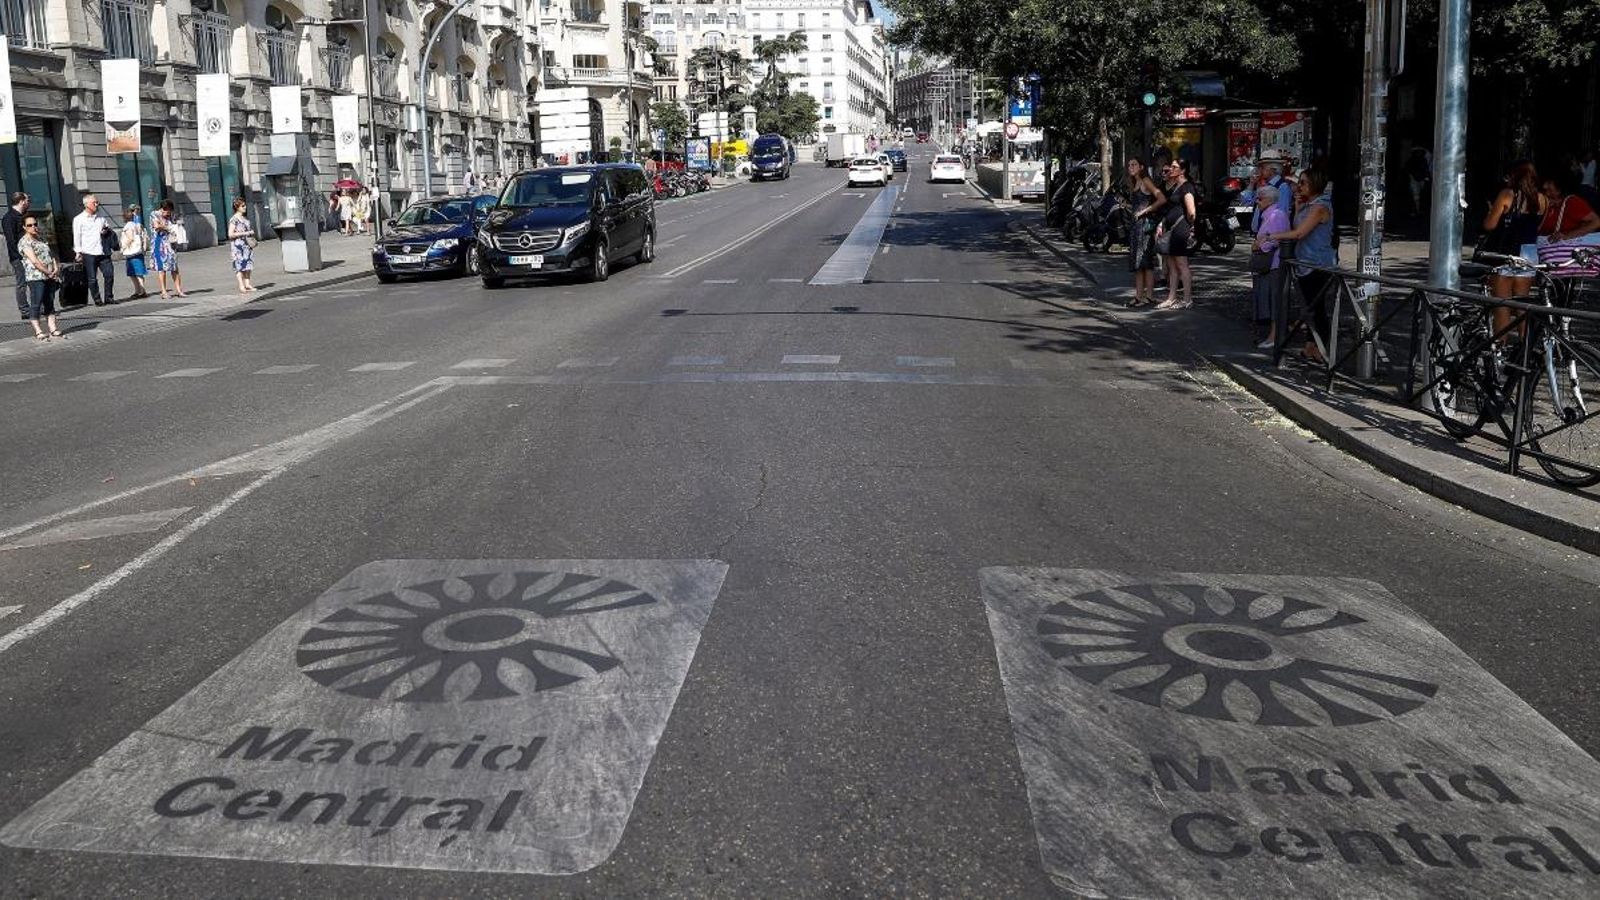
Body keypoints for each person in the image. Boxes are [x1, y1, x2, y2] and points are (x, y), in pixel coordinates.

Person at [1262, 168, 1337, 363]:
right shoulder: (1308, 205)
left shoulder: (1320, 207)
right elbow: (1296, 227)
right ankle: (1310, 347)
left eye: (1303, 183)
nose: (1299, 186)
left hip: (1318, 264)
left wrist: (1272, 236)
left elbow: (1299, 234)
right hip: (1304, 262)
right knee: (1310, 308)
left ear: (1315, 184)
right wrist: (1297, 207)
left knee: (1317, 308)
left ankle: (1320, 350)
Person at [1480, 160, 1546, 339]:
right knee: (1522, 307)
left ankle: (1500, 353)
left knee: (1502, 307)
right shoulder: (1541, 199)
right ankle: (1524, 354)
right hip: (1530, 254)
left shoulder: (1507, 195)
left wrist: (1489, 211)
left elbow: (1490, 225)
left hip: (1507, 252)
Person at [1252, 183, 1292, 350]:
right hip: (1270, 264)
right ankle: (1273, 334)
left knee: (1275, 300)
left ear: (1268, 200)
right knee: (1269, 298)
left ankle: (1275, 336)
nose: (1257, 202)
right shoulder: (1271, 214)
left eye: (1259, 199)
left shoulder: (1277, 215)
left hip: (1275, 263)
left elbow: (1275, 239)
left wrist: (1260, 246)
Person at [1154, 158, 1197, 310]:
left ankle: (1187, 298)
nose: (1171, 169)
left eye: (1174, 167)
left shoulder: (1187, 187)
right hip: (1171, 229)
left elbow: (1191, 211)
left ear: (1182, 170)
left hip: (1180, 229)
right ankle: (1171, 297)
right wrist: (1162, 223)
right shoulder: (1176, 187)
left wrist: (1190, 227)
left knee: (1181, 264)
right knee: (1172, 265)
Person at [1124, 157, 1166, 308]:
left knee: (1144, 261)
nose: (1131, 167)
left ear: (1141, 166)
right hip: (1136, 226)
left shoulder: (1146, 181)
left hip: (1143, 227)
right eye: (1129, 165)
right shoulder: (1134, 183)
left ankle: (1146, 296)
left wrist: (1145, 211)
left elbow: (1161, 198)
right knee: (1140, 262)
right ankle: (1140, 296)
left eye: (1134, 164)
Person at [18, 214, 63, 340]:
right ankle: (38, 330)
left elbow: (51, 254)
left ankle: (53, 328)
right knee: (36, 303)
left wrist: (55, 268)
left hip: (49, 275)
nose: (33, 227)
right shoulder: (24, 242)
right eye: (30, 225)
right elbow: (34, 261)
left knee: (49, 302)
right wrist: (48, 272)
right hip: (36, 276)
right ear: (24, 227)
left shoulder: (41, 238)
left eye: (35, 224)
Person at [72, 193, 118, 306]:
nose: (97, 204)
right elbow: (76, 236)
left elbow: (107, 228)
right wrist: (78, 252)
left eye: (97, 202)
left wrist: (106, 231)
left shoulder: (101, 217)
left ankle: (109, 297)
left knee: (109, 275)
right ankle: (97, 299)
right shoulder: (78, 219)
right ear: (86, 204)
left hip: (103, 252)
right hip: (88, 253)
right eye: (94, 202)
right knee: (92, 278)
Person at [1537, 174, 1600, 242]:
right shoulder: (1541, 200)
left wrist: (1567, 235)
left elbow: (1596, 222)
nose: (1544, 186)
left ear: (1559, 186)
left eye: (1549, 183)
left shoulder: (1571, 202)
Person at [150, 199, 186, 299]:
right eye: (167, 211)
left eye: (170, 211)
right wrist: (170, 227)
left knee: (174, 267)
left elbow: (178, 223)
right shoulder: (154, 214)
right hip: (159, 244)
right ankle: (163, 291)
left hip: (171, 244)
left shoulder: (171, 216)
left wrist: (168, 226)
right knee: (162, 268)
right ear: (163, 209)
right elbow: (157, 226)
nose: (168, 213)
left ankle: (179, 290)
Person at [4, 191, 29, 320]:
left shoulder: (24, 217)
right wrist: (20, 257)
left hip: (30, 255)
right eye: (27, 200)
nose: (28, 203)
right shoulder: (9, 218)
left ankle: (39, 307)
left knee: (35, 281)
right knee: (22, 283)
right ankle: (24, 310)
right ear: (22, 201)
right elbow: (11, 240)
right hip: (19, 257)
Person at [227, 197, 257, 294]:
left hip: (246, 245)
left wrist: (250, 233)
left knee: (248, 264)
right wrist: (245, 233)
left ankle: (247, 284)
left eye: (245, 205)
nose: (245, 207)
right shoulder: (234, 219)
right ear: (237, 207)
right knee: (239, 265)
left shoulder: (244, 218)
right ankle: (241, 285)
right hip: (238, 247)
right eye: (242, 206)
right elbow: (230, 234)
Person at [120, 204, 149, 299]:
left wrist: (123, 247)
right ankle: (140, 290)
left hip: (131, 252)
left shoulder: (128, 226)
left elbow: (130, 238)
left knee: (135, 273)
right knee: (137, 272)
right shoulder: (138, 225)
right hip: (138, 251)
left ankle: (140, 291)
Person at [1405, 148, 1431, 219]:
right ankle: (1415, 210)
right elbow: (1408, 170)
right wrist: (1411, 177)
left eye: (1420, 152)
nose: (1419, 153)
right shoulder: (1411, 160)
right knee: (1415, 196)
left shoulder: (1423, 160)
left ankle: (1418, 210)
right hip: (1414, 180)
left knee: (1420, 196)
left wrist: (1426, 177)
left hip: (1421, 180)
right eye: (1417, 152)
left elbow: (1426, 169)